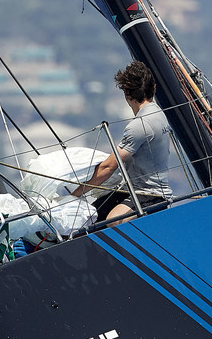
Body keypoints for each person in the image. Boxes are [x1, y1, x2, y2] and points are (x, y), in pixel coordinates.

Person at [71, 61, 174, 222]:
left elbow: (109, 166)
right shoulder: (160, 114)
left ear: (127, 94)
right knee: (89, 217)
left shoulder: (139, 125)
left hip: (148, 194)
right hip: (135, 189)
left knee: (112, 220)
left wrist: (75, 195)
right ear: (153, 88)